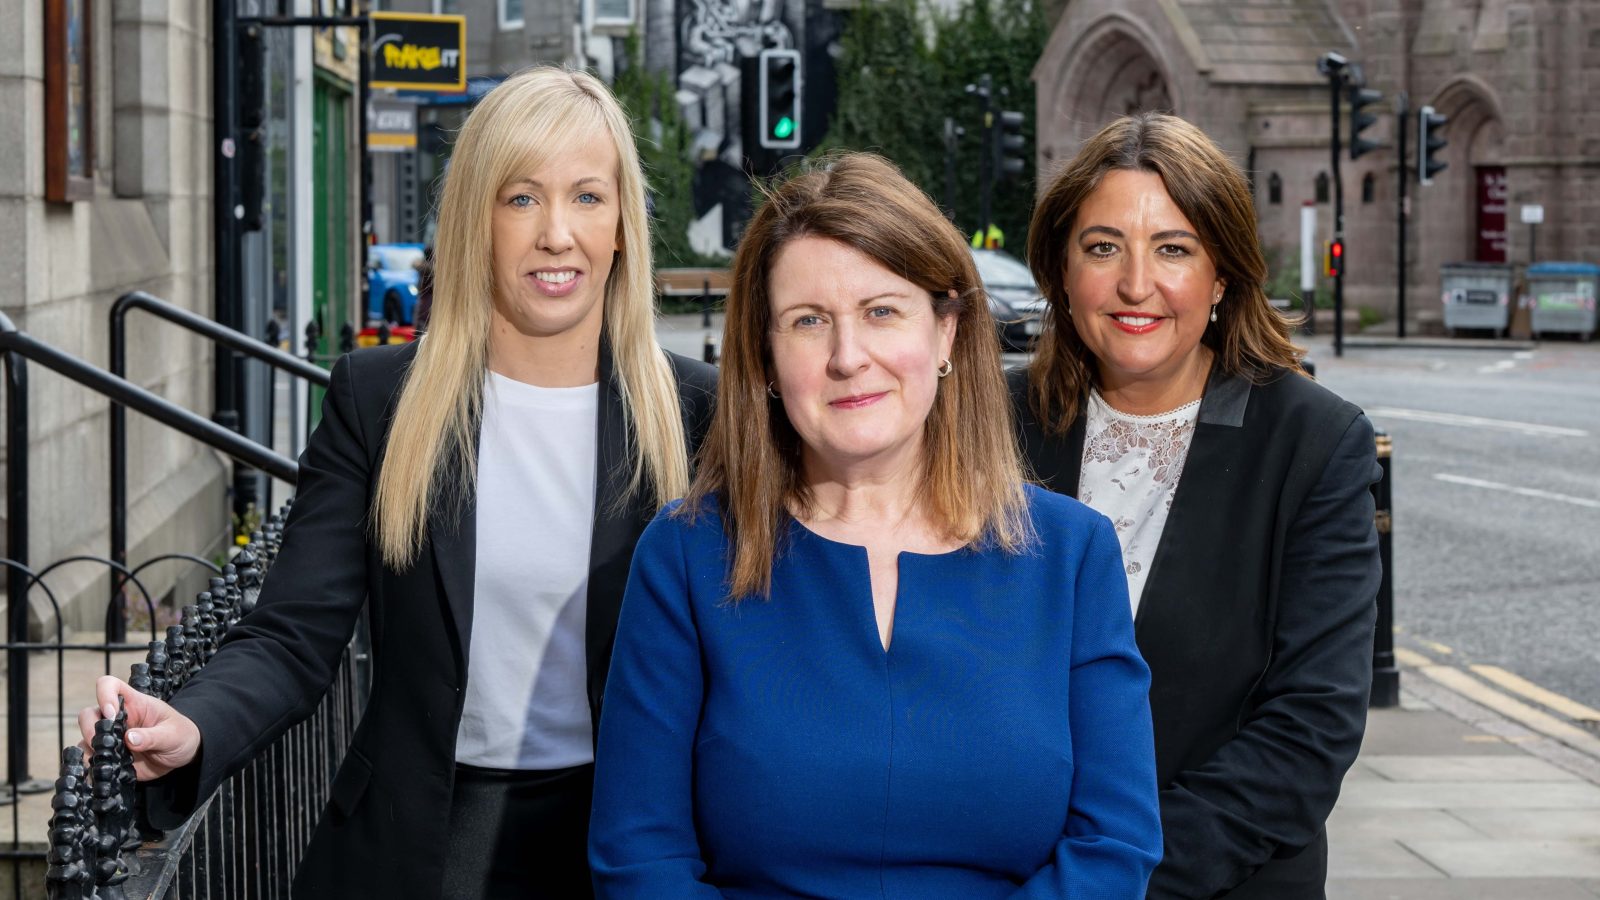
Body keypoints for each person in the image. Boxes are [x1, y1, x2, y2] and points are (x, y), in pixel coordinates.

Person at [77, 67, 717, 899]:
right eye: (520, 198)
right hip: (415, 845)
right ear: (472, 220)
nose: (557, 233)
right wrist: (191, 724)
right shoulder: (380, 401)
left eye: (588, 197)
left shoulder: (696, 413)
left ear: (624, 223)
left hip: (627, 848)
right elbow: (292, 632)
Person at [589, 153, 1162, 898]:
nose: (847, 357)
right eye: (808, 322)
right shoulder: (687, 554)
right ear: (763, 356)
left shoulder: (1073, 555)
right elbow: (641, 858)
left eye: (882, 311)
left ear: (947, 333)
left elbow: (1113, 842)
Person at [1011, 112, 1382, 899]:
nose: (1135, 284)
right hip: (1007, 871)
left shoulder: (1312, 443)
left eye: (1173, 249)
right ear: (1061, 270)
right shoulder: (990, 424)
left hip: (1211, 880)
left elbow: (1307, 734)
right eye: (1102, 246)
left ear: (1221, 276)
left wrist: (1110, 879)